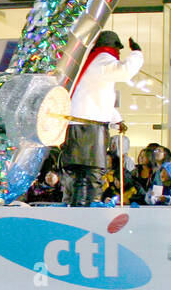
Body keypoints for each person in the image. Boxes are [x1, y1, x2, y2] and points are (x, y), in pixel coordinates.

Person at [59, 30, 144, 206]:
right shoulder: (103, 60)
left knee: (81, 176)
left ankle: (78, 210)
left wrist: (116, 119)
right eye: (117, 48)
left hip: (79, 125)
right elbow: (125, 71)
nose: (119, 53)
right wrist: (137, 54)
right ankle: (87, 212)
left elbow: (97, 97)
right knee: (92, 175)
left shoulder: (91, 63)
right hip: (89, 128)